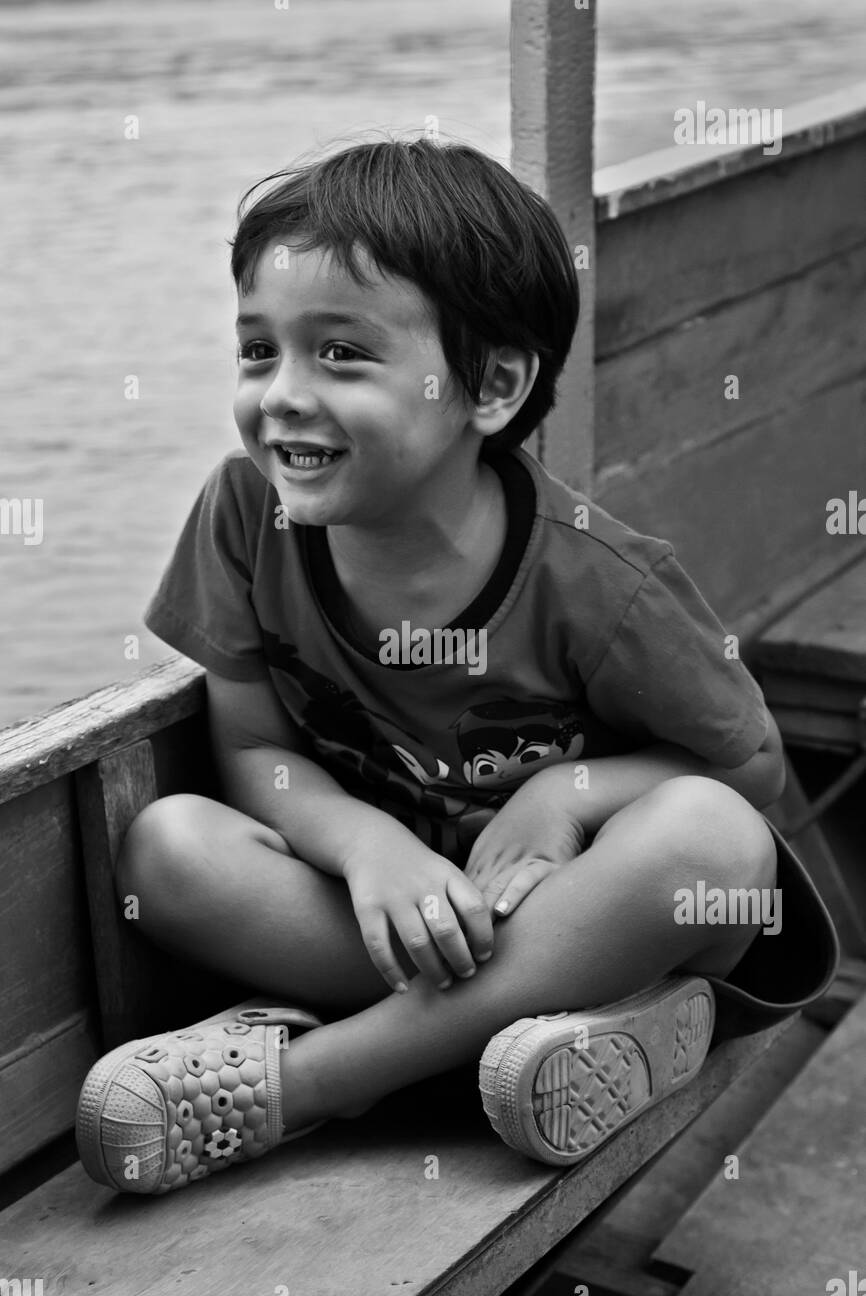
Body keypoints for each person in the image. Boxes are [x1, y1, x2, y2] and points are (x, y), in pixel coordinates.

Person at [75, 139, 837, 1196]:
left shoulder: (597, 581)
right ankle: (560, 1038)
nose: (280, 396)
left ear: (489, 384)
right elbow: (250, 743)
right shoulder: (245, 515)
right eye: (258, 351)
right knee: (166, 850)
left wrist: (565, 794)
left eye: (340, 355)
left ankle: (314, 1080)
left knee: (710, 840)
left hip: (588, 909)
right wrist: (367, 844)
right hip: (407, 918)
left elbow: (749, 765)